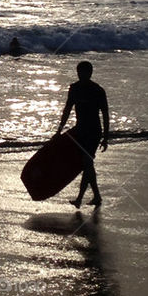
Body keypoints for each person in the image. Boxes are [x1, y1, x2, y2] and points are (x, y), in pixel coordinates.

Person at [56, 60, 109, 208]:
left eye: (84, 73)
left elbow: (105, 114)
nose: (81, 75)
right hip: (80, 130)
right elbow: (67, 110)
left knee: (87, 162)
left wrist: (106, 136)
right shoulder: (74, 89)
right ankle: (97, 196)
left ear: (90, 73)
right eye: (79, 72)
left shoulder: (98, 90)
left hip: (94, 132)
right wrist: (59, 130)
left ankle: (80, 198)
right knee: (87, 164)